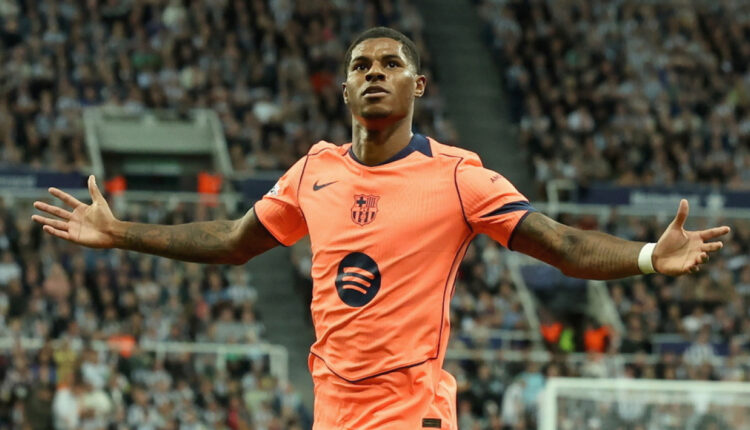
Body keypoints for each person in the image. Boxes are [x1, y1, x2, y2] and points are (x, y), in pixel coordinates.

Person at [32, 27, 730, 429]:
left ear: (417, 87)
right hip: (333, 410)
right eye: (360, 66)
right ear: (343, 89)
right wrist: (122, 232)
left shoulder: (459, 177)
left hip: (412, 409)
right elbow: (234, 240)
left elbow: (564, 246)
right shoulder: (314, 170)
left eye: (391, 65)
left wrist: (647, 255)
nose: (374, 73)